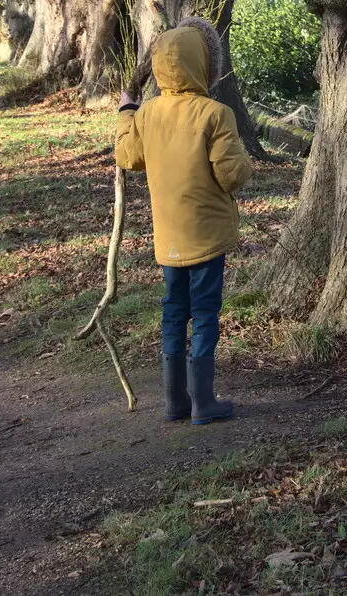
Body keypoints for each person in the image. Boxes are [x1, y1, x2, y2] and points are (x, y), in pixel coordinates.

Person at [114, 25, 252, 425]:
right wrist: (244, 160)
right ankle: (203, 402)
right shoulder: (216, 114)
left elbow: (128, 156)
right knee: (205, 312)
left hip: (169, 236)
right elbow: (232, 175)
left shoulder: (147, 113)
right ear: (204, 64)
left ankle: (174, 401)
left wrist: (126, 111)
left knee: (174, 311)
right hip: (207, 235)